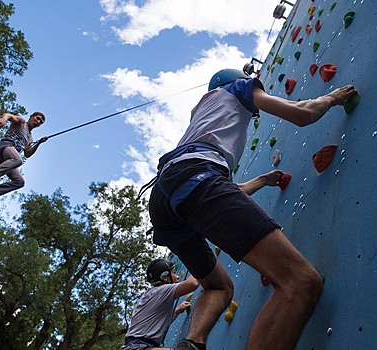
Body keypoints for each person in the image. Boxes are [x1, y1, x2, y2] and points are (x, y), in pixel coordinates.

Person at [148, 69, 357, 350]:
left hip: (166, 199)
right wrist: (332, 97)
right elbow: (302, 113)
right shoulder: (239, 88)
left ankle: (192, 343)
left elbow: (214, 197)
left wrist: (263, 180)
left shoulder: (204, 119)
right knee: (300, 282)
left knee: (219, 287)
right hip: (197, 178)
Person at [123, 258, 200, 350]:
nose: (178, 277)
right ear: (164, 277)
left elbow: (156, 323)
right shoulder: (161, 291)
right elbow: (192, 283)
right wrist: (200, 261)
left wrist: (178, 310)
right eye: (174, 273)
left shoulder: (151, 294)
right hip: (139, 346)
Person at [0, 112, 48, 206]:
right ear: (31, 117)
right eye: (37, 118)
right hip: (5, 147)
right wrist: (3, 119)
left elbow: (27, 154)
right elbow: (9, 116)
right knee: (18, 160)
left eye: (41, 122)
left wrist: (39, 143)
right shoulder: (21, 123)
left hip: (8, 160)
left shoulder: (30, 138)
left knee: (20, 182)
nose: (38, 121)